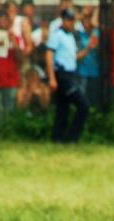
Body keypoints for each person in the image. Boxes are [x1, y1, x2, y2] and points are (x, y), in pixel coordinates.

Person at [45, 7, 88, 143]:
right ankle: (72, 137)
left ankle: (58, 137)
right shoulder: (57, 35)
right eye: (69, 20)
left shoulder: (71, 37)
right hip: (62, 75)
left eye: (72, 20)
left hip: (71, 73)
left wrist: (89, 48)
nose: (71, 23)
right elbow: (49, 55)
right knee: (83, 105)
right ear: (63, 20)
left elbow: (74, 57)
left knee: (63, 109)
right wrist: (52, 77)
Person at [0, 9, 24, 126]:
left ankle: (8, 132)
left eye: (4, 20)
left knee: (9, 110)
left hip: (10, 79)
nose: (2, 23)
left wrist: (14, 42)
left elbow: (21, 58)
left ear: (8, 22)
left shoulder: (15, 38)